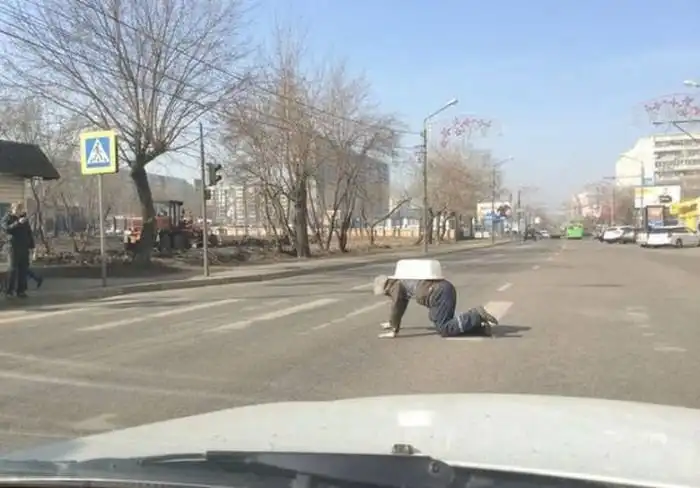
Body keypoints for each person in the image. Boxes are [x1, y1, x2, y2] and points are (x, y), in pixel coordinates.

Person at [373, 274, 499, 338]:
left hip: (439, 293)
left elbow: (397, 306)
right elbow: (401, 306)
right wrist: (392, 322)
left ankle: (476, 315)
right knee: (440, 320)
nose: (387, 295)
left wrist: (394, 330)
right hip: (443, 289)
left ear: (386, 287)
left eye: (384, 293)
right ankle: (479, 328)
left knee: (444, 328)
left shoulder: (395, 286)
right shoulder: (402, 280)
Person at [2, 202, 34, 298]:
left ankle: (21, 290)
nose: (18, 212)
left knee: (23, 269)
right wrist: (17, 223)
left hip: (24, 247)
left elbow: (29, 233)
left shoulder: (24, 220)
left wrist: (32, 247)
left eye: (20, 210)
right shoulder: (7, 218)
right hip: (13, 247)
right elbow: (6, 229)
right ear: (12, 209)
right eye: (16, 210)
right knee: (12, 269)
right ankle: (9, 291)